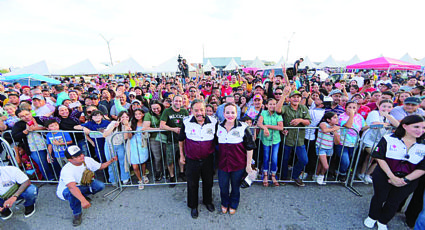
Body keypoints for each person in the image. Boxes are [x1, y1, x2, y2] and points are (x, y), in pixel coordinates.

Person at [364, 115, 425, 230]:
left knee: (394, 201)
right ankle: (372, 216)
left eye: (423, 128)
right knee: (379, 197)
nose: (420, 131)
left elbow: (422, 167)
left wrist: (405, 180)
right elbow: (379, 157)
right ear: (405, 126)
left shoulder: (423, 145)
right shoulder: (388, 138)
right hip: (384, 175)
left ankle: (383, 220)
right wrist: (391, 176)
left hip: (408, 180)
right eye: (416, 126)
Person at [56, 145, 117, 226]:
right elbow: (72, 187)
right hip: (67, 190)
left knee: (100, 186)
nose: (82, 156)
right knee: (73, 194)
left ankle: (83, 195)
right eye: (77, 156)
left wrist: (111, 161)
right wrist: (83, 201)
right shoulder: (66, 170)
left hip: (83, 185)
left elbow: (100, 166)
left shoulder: (87, 160)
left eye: (81, 153)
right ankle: (77, 214)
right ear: (70, 160)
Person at [178, 99, 217, 218]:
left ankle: (207, 201)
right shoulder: (186, 122)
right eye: (196, 110)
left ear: (205, 110)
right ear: (191, 111)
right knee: (192, 184)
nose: (199, 113)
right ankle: (193, 206)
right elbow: (181, 140)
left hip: (208, 159)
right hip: (192, 159)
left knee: (208, 182)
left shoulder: (214, 122)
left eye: (201, 110)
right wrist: (181, 155)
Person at [217, 103, 255, 215]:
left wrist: (248, 166)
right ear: (223, 114)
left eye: (232, 112)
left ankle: (234, 204)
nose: (230, 115)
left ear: (237, 114)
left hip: (238, 165)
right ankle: (224, 203)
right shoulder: (218, 127)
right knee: (223, 187)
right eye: (227, 112)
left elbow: (250, 147)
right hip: (222, 165)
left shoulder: (243, 127)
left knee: (235, 187)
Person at [358, 100, 399, 184]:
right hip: (369, 140)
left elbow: (398, 125)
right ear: (379, 106)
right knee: (377, 157)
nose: (386, 108)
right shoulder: (374, 113)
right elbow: (375, 124)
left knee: (372, 158)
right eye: (384, 106)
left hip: (380, 141)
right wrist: (386, 124)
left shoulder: (390, 116)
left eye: (389, 107)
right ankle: (363, 174)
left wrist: (388, 116)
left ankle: (366, 174)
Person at [276, 90, 311, 186]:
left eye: (298, 97)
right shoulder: (286, 108)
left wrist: (300, 120)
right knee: (284, 159)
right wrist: (283, 95)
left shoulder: (303, 108)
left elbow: (308, 121)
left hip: (299, 139)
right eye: (293, 97)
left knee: (304, 159)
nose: (296, 99)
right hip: (287, 138)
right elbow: (278, 110)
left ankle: (295, 175)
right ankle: (283, 177)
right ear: (290, 99)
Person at [160, 95, 189, 185]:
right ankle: (172, 176)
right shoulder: (167, 111)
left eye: (180, 101)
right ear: (172, 101)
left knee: (182, 158)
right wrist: (174, 129)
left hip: (183, 140)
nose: (178, 103)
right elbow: (162, 125)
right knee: (170, 160)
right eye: (176, 101)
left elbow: (188, 123)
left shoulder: (184, 111)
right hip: (171, 140)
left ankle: (181, 173)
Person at [335, 101, 366, 182]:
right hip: (343, 142)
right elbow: (348, 125)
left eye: (354, 108)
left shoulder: (360, 117)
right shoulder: (342, 116)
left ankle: (342, 171)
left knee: (350, 159)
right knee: (345, 161)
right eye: (349, 107)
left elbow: (363, 127)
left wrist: (373, 126)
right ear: (345, 108)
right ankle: (342, 174)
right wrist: (351, 115)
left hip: (354, 143)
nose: (351, 109)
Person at [257, 98, 283, 187]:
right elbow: (259, 123)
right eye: (270, 104)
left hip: (275, 139)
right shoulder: (263, 113)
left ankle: (273, 175)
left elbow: (280, 127)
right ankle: (265, 175)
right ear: (267, 105)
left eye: (274, 104)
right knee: (266, 157)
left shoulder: (278, 114)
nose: (272, 106)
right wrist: (264, 128)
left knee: (274, 158)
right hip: (265, 139)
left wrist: (267, 126)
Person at [103, 111, 132, 185]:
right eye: (122, 117)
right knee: (111, 162)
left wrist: (126, 126)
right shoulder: (113, 123)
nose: (124, 119)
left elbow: (125, 137)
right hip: (110, 145)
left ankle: (125, 178)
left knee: (123, 162)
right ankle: (113, 179)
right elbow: (105, 134)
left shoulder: (128, 125)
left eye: (126, 117)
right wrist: (114, 126)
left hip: (120, 145)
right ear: (119, 118)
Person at [142, 100, 166, 181]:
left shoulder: (165, 112)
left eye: (157, 108)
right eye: (154, 109)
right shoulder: (148, 114)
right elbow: (145, 127)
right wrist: (158, 129)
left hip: (166, 137)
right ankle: (158, 171)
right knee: (157, 157)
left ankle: (167, 171)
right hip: (154, 138)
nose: (156, 110)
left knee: (167, 156)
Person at [315, 112, 340, 185]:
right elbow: (324, 130)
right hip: (321, 147)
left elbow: (337, 142)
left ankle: (316, 175)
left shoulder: (337, 128)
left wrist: (335, 133)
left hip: (329, 148)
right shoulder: (323, 124)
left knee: (321, 162)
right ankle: (321, 176)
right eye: (334, 117)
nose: (337, 119)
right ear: (328, 120)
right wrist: (334, 128)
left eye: (337, 117)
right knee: (325, 166)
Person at [129, 108, 150, 189]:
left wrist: (144, 131)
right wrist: (129, 130)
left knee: (143, 162)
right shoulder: (132, 123)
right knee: (135, 166)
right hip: (133, 145)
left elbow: (147, 136)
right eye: (136, 114)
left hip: (142, 145)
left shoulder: (145, 123)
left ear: (143, 114)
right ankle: (139, 180)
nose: (138, 115)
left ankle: (144, 175)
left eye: (139, 114)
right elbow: (129, 137)